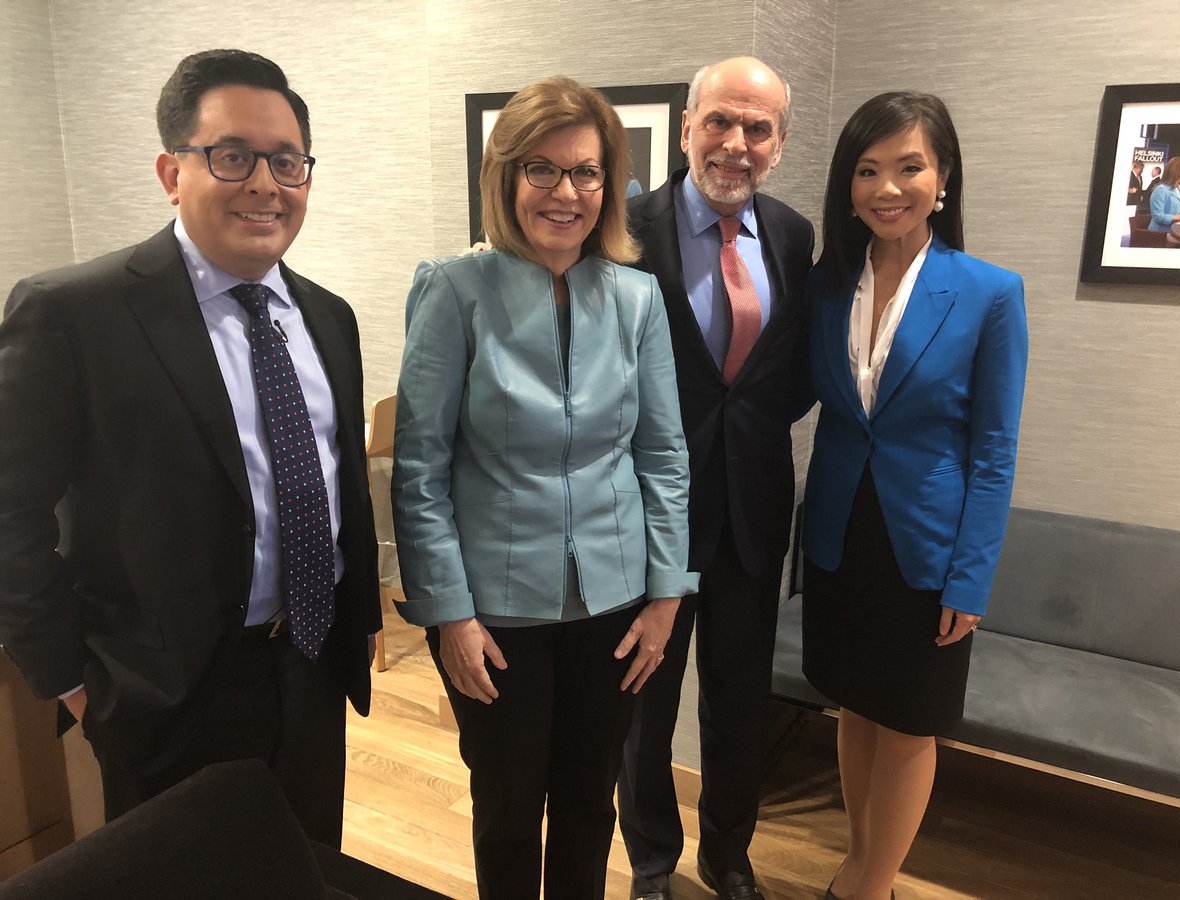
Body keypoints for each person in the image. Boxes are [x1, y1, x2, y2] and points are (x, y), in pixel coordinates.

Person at [0, 49, 380, 847]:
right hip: (162, 697)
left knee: (307, 870)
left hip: (312, 667)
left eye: (287, 161)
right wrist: (73, 683)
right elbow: (10, 512)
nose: (266, 184)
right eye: (232, 155)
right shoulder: (74, 314)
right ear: (173, 173)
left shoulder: (329, 316)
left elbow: (338, 486)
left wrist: (359, 624)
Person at [391, 76, 697, 900]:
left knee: (590, 803)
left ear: (609, 184)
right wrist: (448, 612)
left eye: (586, 172)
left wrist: (667, 595)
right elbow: (419, 469)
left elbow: (664, 455)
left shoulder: (637, 296)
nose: (566, 192)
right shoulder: (453, 290)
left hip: (616, 605)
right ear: (506, 177)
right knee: (507, 806)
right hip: (494, 615)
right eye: (542, 169)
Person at [802, 92, 1028, 900]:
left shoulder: (989, 293)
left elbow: (995, 452)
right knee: (855, 709)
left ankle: (867, 888)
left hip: (927, 546)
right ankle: (863, 862)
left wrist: (971, 579)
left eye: (909, 167)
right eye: (867, 170)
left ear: (944, 177)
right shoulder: (827, 284)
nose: (887, 188)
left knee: (908, 725)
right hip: (838, 535)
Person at [617, 57, 815, 900]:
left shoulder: (795, 236)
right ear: (688, 127)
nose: (736, 143)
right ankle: (651, 861)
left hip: (752, 514)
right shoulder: (625, 228)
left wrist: (753, 431)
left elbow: (786, 374)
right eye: (721, 122)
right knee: (644, 701)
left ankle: (728, 857)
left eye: (757, 128)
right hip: (646, 514)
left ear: (779, 143)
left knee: (739, 703)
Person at [1148, 156, 1180, 231]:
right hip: (1163, 232)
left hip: (1179, 229)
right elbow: (1158, 217)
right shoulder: (1160, 190)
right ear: (1179, 170)